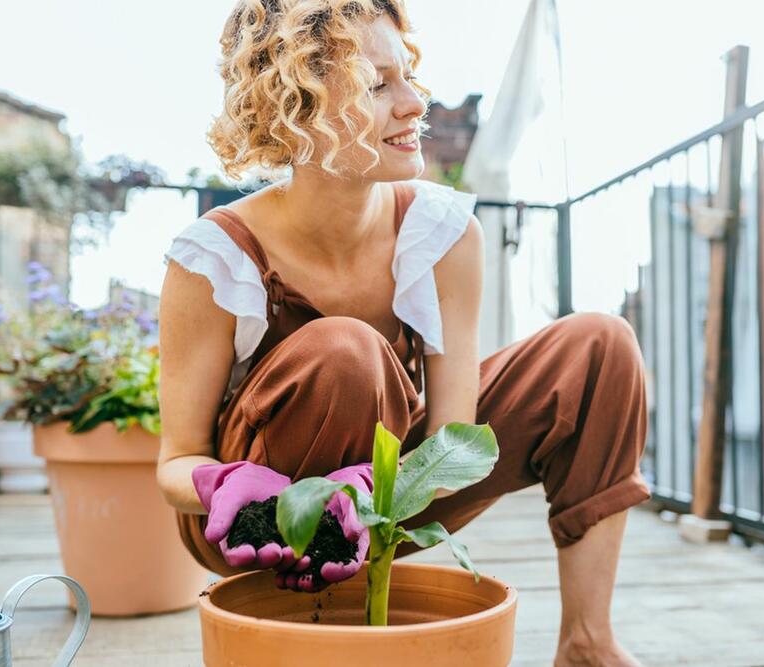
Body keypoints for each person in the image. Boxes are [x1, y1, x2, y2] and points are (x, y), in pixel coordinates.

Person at [156, 1, 650, 665]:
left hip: (387, 497)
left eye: (407, 76)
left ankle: (587, 644)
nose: (414, 104)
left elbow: (452, 444)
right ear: (296, 109)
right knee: (348, 351)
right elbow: (175, 463)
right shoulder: (215, 257)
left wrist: (376, 492)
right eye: (377, 85)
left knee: (599, 345)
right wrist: (235, 488)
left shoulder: (443, 233)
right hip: (254, 516)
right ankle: (315, 624)